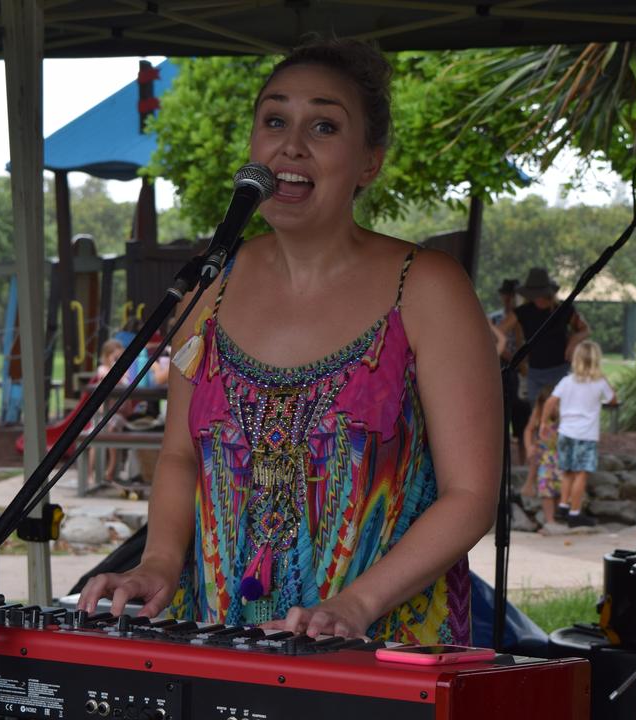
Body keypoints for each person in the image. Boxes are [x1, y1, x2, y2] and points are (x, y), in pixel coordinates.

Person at [79, 39, 501, 643]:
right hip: (220, 641)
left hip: (382, 648)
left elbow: (470, 496)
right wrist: (159, 564)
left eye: (324, 126)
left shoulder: (427, 287)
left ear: (369, 162)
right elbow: (178, 456)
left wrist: (356, 605)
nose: (292, 144)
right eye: (274, 120)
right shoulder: (209, 287)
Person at [544, 340, 614, 528]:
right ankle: (575, 514)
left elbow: (550, 401)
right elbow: (613, 399)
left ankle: (563, 505)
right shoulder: (599, 382)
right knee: (581, 474)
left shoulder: (567, 381)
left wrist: (544, 422)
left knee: (567, 472)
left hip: (566, 432)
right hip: (586, 435)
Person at [498, 267, 590, 406]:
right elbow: (498, 332)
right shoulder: (522, 312)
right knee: (536, 418)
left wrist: (574, 341)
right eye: (534, 294)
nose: (538, 298)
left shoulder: (563, 309)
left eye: (541, 293)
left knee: (559, 415)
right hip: (534, 373)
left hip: (560, 370)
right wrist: (513, 359)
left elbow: (585, 330)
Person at [491, 278, 530, 468]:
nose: (509, 299)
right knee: (500, 423)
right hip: (501, 373)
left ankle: (524, 465)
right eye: (506, 295)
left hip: (521, 375)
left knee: (523, 424)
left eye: (513, 295)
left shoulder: (524, 317)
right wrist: (511, 355)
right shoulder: (494, 319)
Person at [523, 387, 564, 528]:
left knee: (561, 487)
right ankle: (549, 520)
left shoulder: (564, 415)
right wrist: (529, 447)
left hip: (561, 456)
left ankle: (560, 516)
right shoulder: (539, 413)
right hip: (545, 456)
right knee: (546, 489)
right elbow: (529, 430)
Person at [90, 339, 126, 484]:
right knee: (94, 439)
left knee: (111, 433)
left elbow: (125, 383)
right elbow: (107, 379)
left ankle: (110, 472)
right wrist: (113, 364)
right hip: (101, 413)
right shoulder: (103, 370)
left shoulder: (124, 371)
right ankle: (90, 473)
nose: (118, 360)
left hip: (116, 414)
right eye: (115, 357)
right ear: (107, 356)